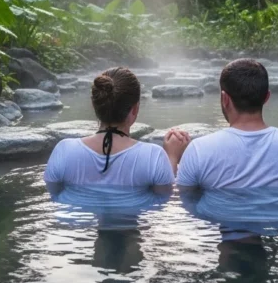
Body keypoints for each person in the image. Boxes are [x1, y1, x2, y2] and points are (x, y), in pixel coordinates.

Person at [176, 59, 278, 189]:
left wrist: (173, 156)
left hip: (223, 222)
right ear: (266, 97)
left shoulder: (199, 149)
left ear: (225, 99)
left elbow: (175, 195)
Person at [44, 67, 190, 196]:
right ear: (135, 109)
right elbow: (166, 196)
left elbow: (53, 194)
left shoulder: (64, 150)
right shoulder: (152, 156)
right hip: (132, 222)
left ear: (94, 106)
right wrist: (172, 157)